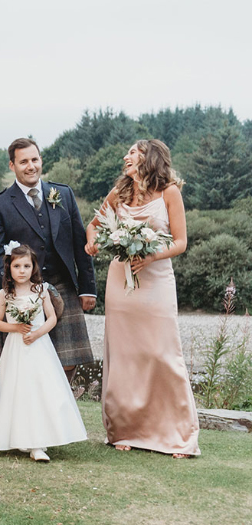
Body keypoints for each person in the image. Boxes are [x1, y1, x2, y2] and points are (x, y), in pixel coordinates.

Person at [85, 139, 200, 458]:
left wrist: (150, 258)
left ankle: (177, 434)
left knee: (161, 353)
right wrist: (93, 243)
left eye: (133, 152)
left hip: (156, 281)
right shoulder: (118, 194)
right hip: (121, 282)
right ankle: (125, 428)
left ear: (150, 158)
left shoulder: (169, 193)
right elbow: (92, 226)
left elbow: (180, 242)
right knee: (125, 355)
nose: (126, 156)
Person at [0, 138, 96, 379]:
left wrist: (88, 289)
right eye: (23, 161)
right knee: (25, 359)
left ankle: (60, 414)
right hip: (23, 290)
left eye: (35, 159)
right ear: (12, 165)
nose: (31, 166)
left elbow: (80, 244)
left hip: (63, 283)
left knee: (69, 360)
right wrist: (12, 291)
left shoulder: (63, 194)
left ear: (41, 160)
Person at [0, 243, 87, 462]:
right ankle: (19, 437)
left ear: (33, 267)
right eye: (17, 266)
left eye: (26, 266)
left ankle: (38, 443)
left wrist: (37, 333)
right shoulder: (5, 294)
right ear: (9, 268)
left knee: (40, 389)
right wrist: (16, 328)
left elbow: (52, 318)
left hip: (39, 347)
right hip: (16, 348)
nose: (22, 270)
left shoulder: (41, 290)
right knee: (18, 390)